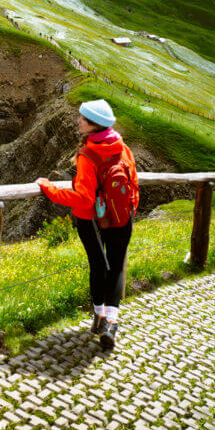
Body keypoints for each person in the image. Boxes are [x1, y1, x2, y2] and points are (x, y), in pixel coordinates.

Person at [36, 99, 139, 349]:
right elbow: (133, 179)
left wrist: (48, 188)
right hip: (122, 216)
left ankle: (99, 318)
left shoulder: (88, 155)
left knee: (97, 266)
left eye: (83, 118)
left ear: (94, 125)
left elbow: (84, 198)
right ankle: (112, 324)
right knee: (115, 267)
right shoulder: (121, 146)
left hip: (91, 219)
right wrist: (130, 208)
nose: (78, 121)